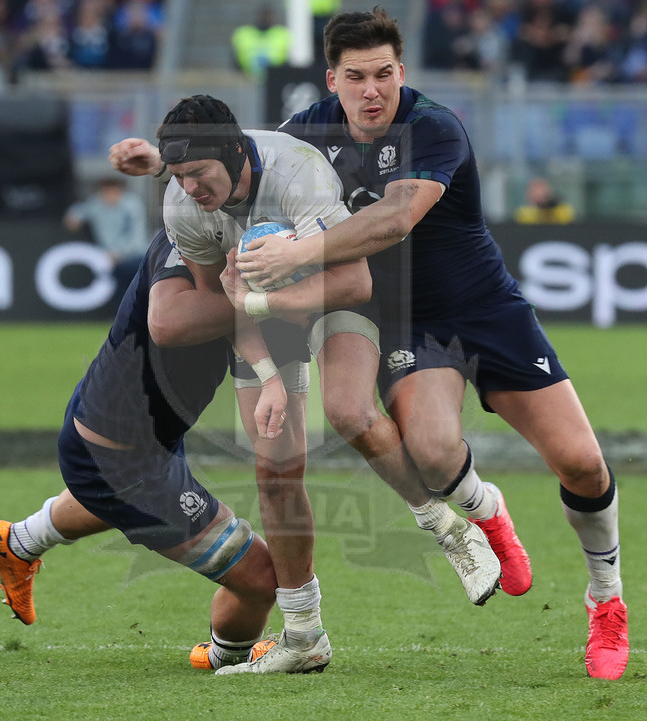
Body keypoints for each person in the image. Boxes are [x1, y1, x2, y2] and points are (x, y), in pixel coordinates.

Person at [236, 6, 628, 681]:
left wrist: (298, 249)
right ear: (332, 79)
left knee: (583, 464)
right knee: (434, 449)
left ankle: (606, 598)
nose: (371, 91)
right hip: (408, 322)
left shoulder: (434, 126)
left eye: (384, 74)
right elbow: (237, 170)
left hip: (486, 307)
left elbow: (392, 220)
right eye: (355, 77)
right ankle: (488, 512)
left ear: (401, 72)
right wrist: (162, 163)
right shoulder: (300, 138)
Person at [108, 94, 504, 674]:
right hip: (264, 313)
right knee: (275, 467)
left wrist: (267, 297)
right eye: (178, 175)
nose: (189, 187)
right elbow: (226, 299)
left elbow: (353, 282)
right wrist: (268, 375)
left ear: (236, 153)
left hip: (334, 291)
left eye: (198, 173)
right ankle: (304, 636)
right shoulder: (183, 208)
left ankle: (451, 530)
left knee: (350, 412)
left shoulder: (298, 173)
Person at [0, 229, 278, 672]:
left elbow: (239, 328)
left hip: (132, 441)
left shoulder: (210, 237)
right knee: (262, 579)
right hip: (123, 461)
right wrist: (284, 299)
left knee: (108, 498)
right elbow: (171, 322)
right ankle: (226, 655)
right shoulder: (184, 244)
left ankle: (17, 541)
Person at [63, 176, 149, 306]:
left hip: (136, 256)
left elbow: (137, 236)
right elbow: (78, 212)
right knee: (121, 287)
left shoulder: (132, 205)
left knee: (132, 284)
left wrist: (119, 252)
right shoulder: (97, 204)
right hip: (113, 260)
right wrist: (73, 218)